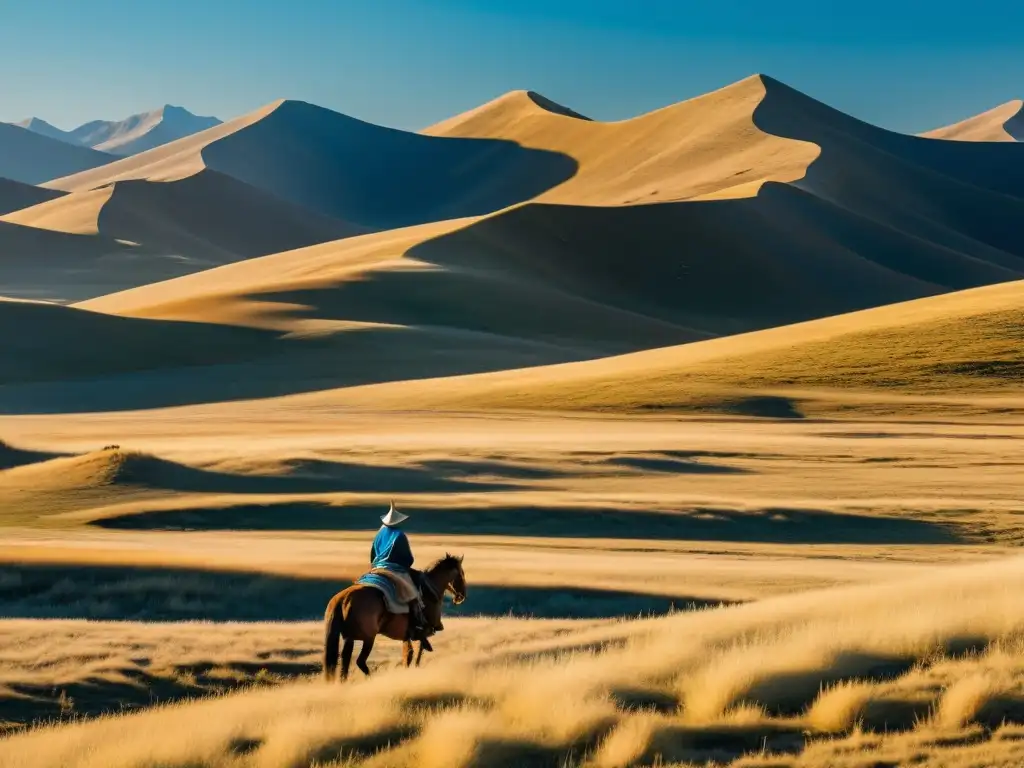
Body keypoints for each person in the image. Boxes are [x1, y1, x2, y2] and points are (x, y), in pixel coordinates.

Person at [369, 501, 433, 646]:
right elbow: (408, 559)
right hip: (395, 570)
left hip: (376, 569)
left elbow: (372, 554)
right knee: (413, 595)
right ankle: (417, 627)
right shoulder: (399, 535)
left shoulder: (379, 534)